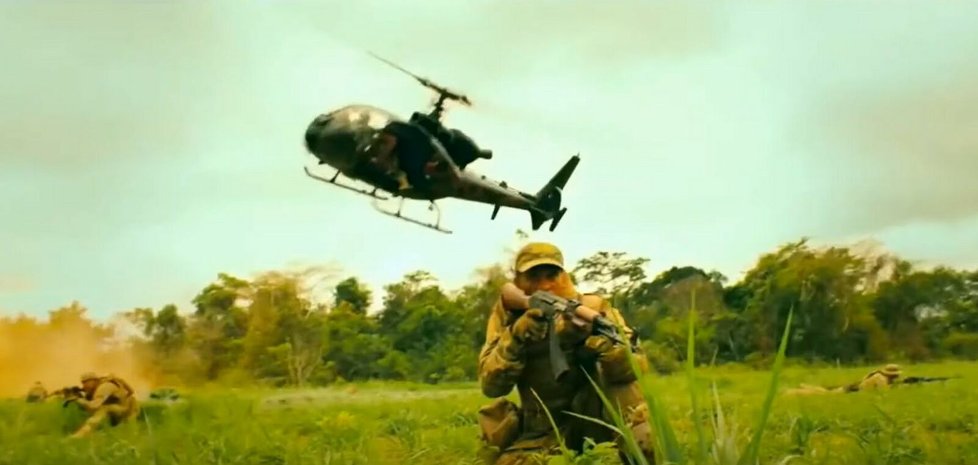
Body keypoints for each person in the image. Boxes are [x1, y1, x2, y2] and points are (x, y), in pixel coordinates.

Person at [477, 242, 656, 465]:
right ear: (518, 280)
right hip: (544, 428)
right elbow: (491, 386)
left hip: (597, 421)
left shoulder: (592, 308)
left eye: (552, 275)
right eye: (533, 276)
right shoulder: (508, 316)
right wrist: (515, 336)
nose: (544, 285)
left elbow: (636, 367)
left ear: (564, 275)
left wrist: (600, 347)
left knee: (643, 430)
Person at [68, 372, 140, 438]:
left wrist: (77, 399)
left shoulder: (105, 387)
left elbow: (94, 406)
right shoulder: (99, 387)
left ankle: (80, 435)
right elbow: (88, 408)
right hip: (123, 409)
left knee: (104, 408)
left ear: (94, 381)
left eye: (86, 382)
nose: (84, 386)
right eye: (83, 383)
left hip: (126, 410)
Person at [785, 363, 903, 396]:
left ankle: (803, 386)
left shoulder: (877, 374)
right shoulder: (881, 379)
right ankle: (794, 392)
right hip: (852, 390)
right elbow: (884, 392)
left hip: (853, 387)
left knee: (826, 391)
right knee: (825, 394)